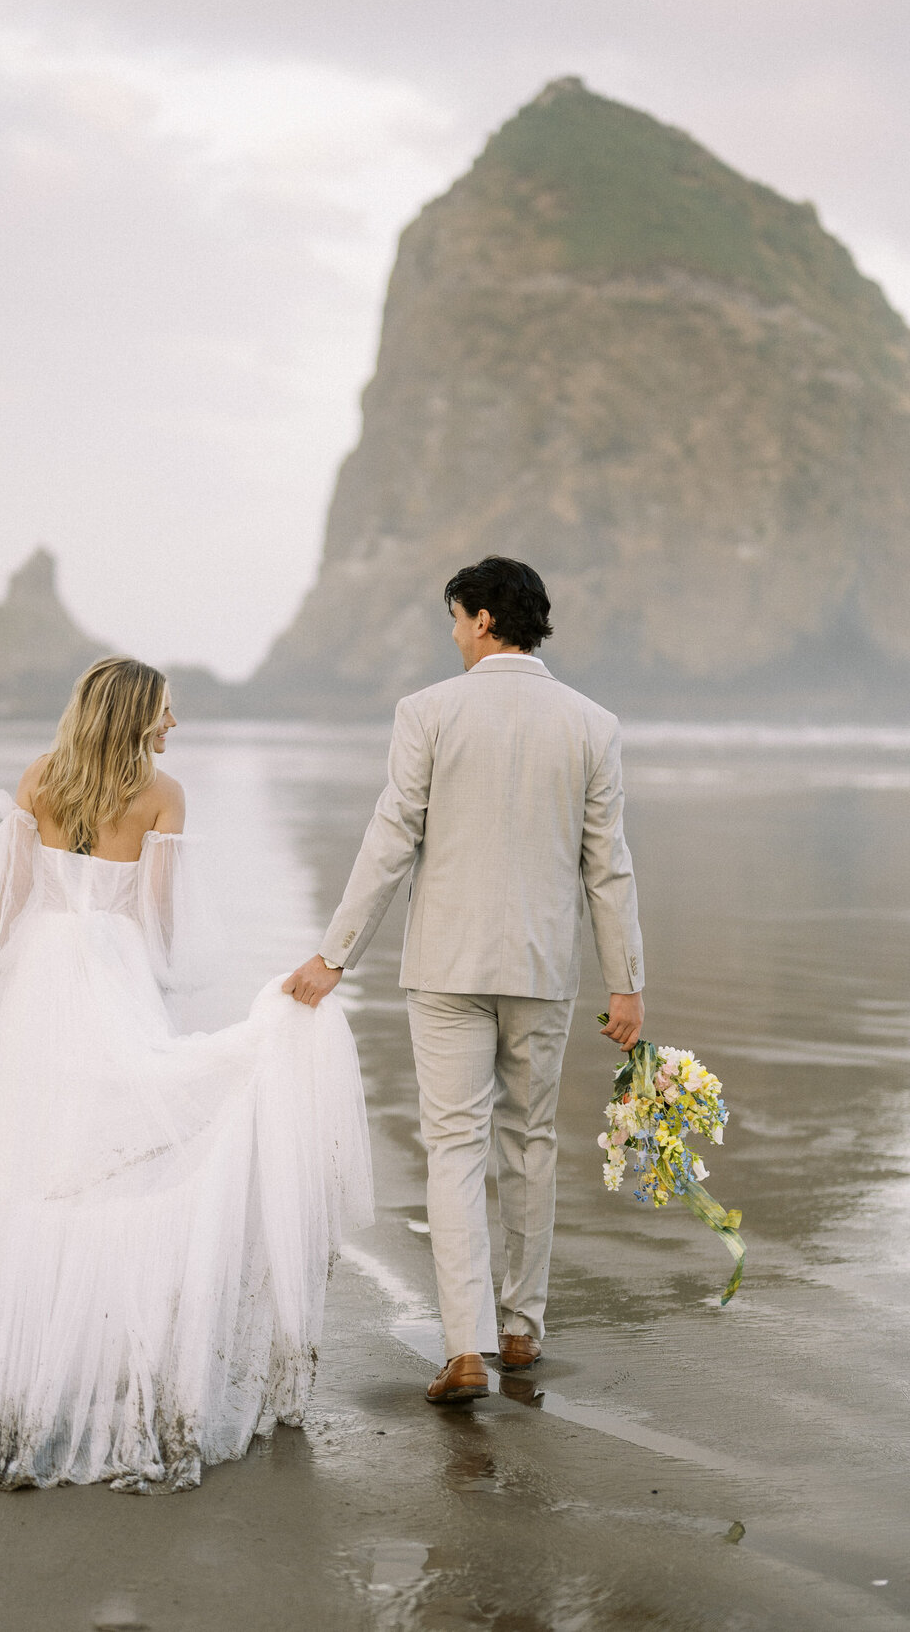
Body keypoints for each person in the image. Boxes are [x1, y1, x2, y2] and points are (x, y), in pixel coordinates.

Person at [0, 656, 373, 1490]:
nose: (174, 726)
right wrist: (150, 962)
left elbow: (8, 895)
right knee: (116, 1135)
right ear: (137, 713)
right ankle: (90, 1331)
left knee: (32, 1140)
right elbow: (160, 925)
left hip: (36, 973)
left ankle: (3, 1317)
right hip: (110, 971)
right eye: (167, 712)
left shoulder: (40, 777)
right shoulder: (162, 794)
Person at [285, 557, 644, 1405]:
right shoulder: (594, 723)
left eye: (455, 618)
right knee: (531, 1140)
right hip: (543, 965)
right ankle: (521, 1327)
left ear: (483, 619)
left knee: (453, 1147)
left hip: (446, 966)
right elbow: (610, 867)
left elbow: (390, 838)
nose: (452, 634)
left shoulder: (430, 711)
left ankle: (465, 1348)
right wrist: (625, 981)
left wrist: (335, 954)